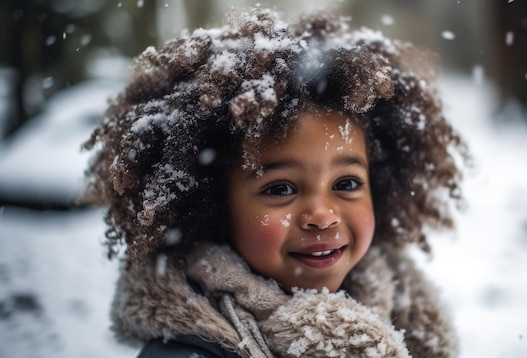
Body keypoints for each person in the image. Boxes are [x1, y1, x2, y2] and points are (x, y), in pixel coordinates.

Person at [82, 6, 468, 358]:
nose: (322, 215)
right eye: (281, 188)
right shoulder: (192, 351)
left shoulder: (404, 310)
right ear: (215, 205)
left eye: (347, 183)